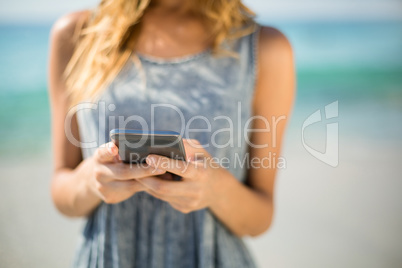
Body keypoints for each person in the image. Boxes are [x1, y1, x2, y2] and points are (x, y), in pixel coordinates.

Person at [48, 0, 295, 267]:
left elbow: (260, 218)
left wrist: (215, 189)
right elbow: (61, 191)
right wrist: (90, 181)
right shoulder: (78, 34)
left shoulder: (264, 48)